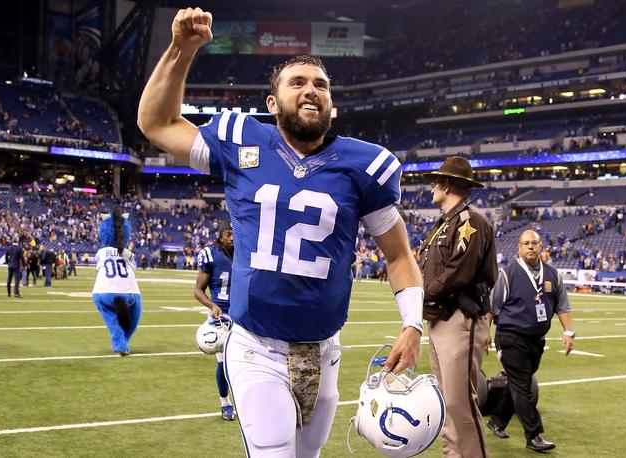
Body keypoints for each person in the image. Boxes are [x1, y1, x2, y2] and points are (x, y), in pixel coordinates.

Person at [138, 7, 424, 456]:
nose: (311, 90)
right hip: (257, 347)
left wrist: (412, 325)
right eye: (298, 83)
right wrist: (181, 49)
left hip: (325, 351)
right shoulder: (240, 141)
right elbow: (156, 123)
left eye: (321, 85)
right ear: (272, 104)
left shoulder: (364, 165)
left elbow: (398, 255)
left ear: (333, 105)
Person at [419, 156, 498, 458]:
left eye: (436, 182)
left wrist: (421, 294)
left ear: (447, 184)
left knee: (460, 403)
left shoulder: (470, 221)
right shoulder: (447, 222)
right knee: (447, 402)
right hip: (441, 319)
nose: (431, 188)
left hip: (461, 318)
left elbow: (458, 271)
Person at [486, 229, 575, 452]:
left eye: (534, 243)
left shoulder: (553, 275)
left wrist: (568, 332)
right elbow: (492, 308)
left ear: (541, 246)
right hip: (510, 337)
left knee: (517, 382)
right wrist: (483, 334)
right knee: (522, 384)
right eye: (526, 243)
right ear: (519, 248)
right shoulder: (507, 274)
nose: (530, 247)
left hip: (536, 340)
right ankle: (533, 435)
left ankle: (496, 420)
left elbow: (563, 306)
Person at [194, 221, 235, 421]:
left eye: (235, 233)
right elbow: (197, 290)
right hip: (221, 318)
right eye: (228, 234)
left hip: (243, 316)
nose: (233, 238)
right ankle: (225, 402)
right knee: (224, 363)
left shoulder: (246, 252)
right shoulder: (211, 254)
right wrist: (212, 306)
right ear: (220, 236)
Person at [92, 208, 142, 356]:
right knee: (134, 313)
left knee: (112, 321)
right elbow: (134, 267)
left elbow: (100, 263)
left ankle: (120, 343)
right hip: (129, 291)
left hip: (102, 291)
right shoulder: (129, 254)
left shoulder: (101, 253)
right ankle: (123, 342)